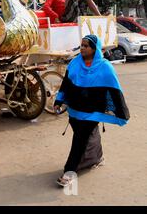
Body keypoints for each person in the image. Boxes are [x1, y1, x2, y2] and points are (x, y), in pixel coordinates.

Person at [54, 35, 130, 187]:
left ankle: (69, 172)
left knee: (79, 139)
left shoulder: (105, 66)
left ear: (95, 49)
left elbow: (114, 90)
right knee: (85, 135)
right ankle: (96, 157)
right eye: (81, 45)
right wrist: (59, 100)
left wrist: (121, 112)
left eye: (86, 46)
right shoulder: (74, 64)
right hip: (75, 110)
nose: (82, 48)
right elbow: (66, 84)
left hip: (93, 111)